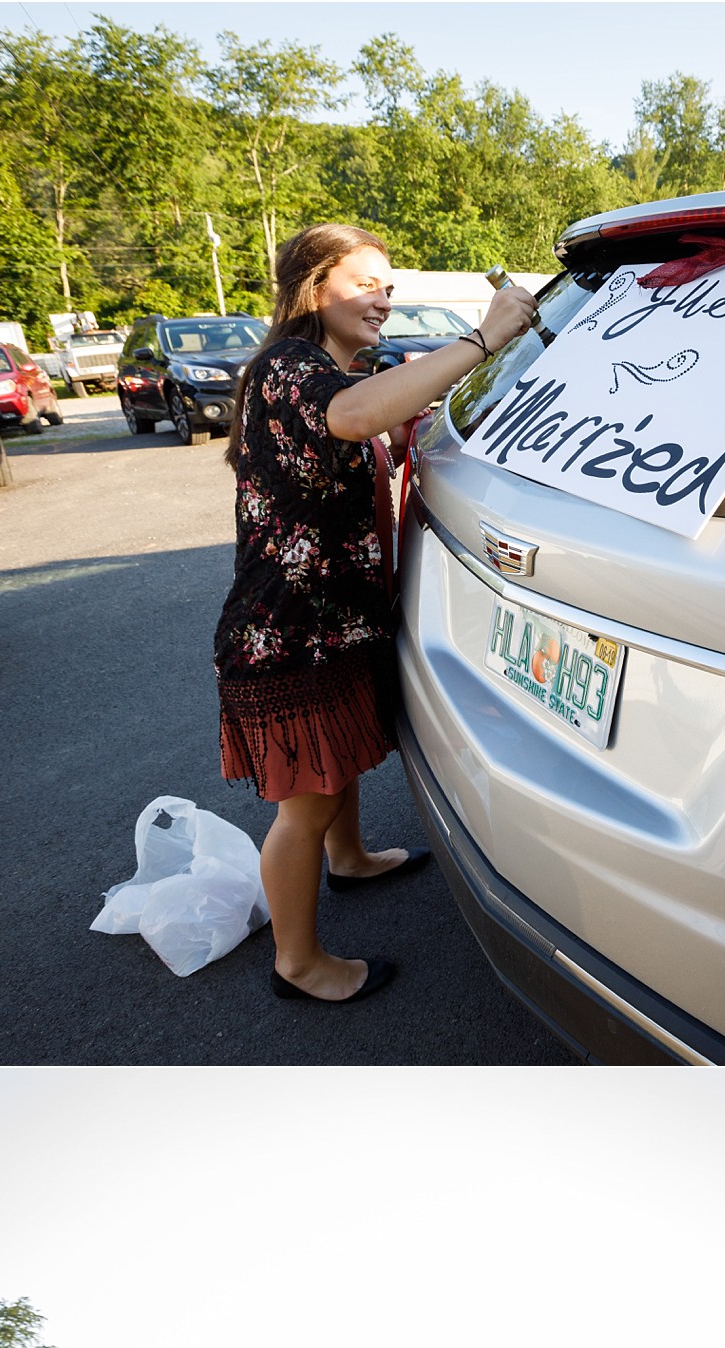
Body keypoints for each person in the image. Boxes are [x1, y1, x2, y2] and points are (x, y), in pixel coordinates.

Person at [214, 223, 538, 1003]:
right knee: (308, 799)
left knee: (342, 758)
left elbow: (365, 423)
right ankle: (298, 962)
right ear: (314, 286)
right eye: (366, 284)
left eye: (389, 287)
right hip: (288, 630)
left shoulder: (335, 366)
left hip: (337, 616)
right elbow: (352, 418)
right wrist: (485, 336)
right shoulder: (290, 369)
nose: (383, 301)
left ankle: (350, 858)